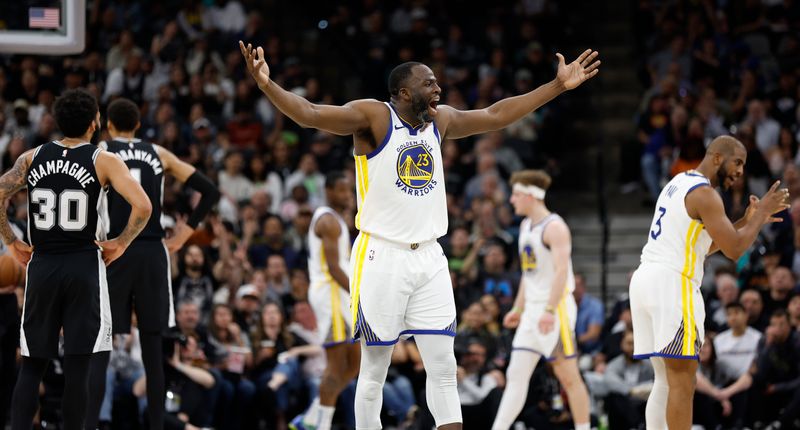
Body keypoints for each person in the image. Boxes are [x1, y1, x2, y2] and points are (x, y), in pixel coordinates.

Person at [240, 39, 600, 430]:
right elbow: (310, 114)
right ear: (404, 92)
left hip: (429, 257)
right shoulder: (374, 117)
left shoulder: (439, 121)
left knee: (444, 363)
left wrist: (557, 86)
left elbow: (496, 115)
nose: (438, 90)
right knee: (375, 367)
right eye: (430, 84)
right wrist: (267, 86)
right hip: (382, 255)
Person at [1, 88, 152, 430]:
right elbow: (143, 205)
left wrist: (12, 241)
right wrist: (122, 243)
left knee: (32, 365)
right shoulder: (103, 160)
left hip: (41, 265)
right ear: (94, 122)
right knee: (78, 366)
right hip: (84, 263)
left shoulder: (31, 157)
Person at [629, 135, 789, 430]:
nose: (741, 171)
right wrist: (761, 214)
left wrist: (745, 220)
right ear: (717, 157)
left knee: (664, 380)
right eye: (737, 162)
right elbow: (735, 250)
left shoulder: (677, 182)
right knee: (683, 381)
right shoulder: (706, 194)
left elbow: (707, 245)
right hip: (672, 284)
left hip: (645, 280)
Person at [85, 97, 220, 430]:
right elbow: (209, 191)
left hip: (114, 250)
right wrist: (183, 236)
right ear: (139, 126)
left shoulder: (101, 151)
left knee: (100, 348)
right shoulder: (159, 153)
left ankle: (89, 424)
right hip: (152, 253)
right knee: (153, 351)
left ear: (109, 126)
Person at [491, 170, 591, 430]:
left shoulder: (555, 227)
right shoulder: (525, 226)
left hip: (555, 309)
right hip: (532, 311)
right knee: (516, 374)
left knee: (568, 376)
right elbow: (529, 274)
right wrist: (518, 307)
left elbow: (561, 272)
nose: (511, 200)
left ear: (530, 196)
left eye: (515, 195)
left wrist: (548, 309)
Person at [290, 171, 360, 430]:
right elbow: (332, 268)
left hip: (338, 294)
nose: (347, 195)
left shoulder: (337, 220)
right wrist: (359, 294)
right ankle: (322, 425)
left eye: (349, 190)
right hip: (331, 294)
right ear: (329, 191)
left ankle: (310, 417)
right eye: (342, 190)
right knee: (335, 364)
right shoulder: (328, 221)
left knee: (355, 363)